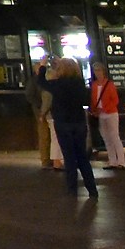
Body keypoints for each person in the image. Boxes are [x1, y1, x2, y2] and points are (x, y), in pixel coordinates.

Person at [46, 57, 98, 199]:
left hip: (63, 123)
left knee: (69, 157)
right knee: (82, 157)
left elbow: (42, 82)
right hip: (78, 122)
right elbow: (86, 100)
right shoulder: (80, 84)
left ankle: (72, 189)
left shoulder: (57, 84)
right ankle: (92, 189)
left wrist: (44, 66)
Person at [90, 64, 125, 170]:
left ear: (103, 71)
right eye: (95, 70)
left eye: (99, 70)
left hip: (110, 113)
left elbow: (115, 100)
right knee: (106, 138)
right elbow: (93, 100)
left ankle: (121, 161)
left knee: (114, 136)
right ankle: (112, 161)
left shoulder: (109, 84)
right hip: (100, 114)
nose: (97, 73)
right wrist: (95, 110)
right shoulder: (94, 85)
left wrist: (104, 108)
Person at [31, 59, 57, 169]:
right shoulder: (37, 83)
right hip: (45, 113)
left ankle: (51, 159)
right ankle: (49, 160)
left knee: (49, 138)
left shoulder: (43, 85)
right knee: (48, 138)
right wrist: (40, 110)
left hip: (45, 113)